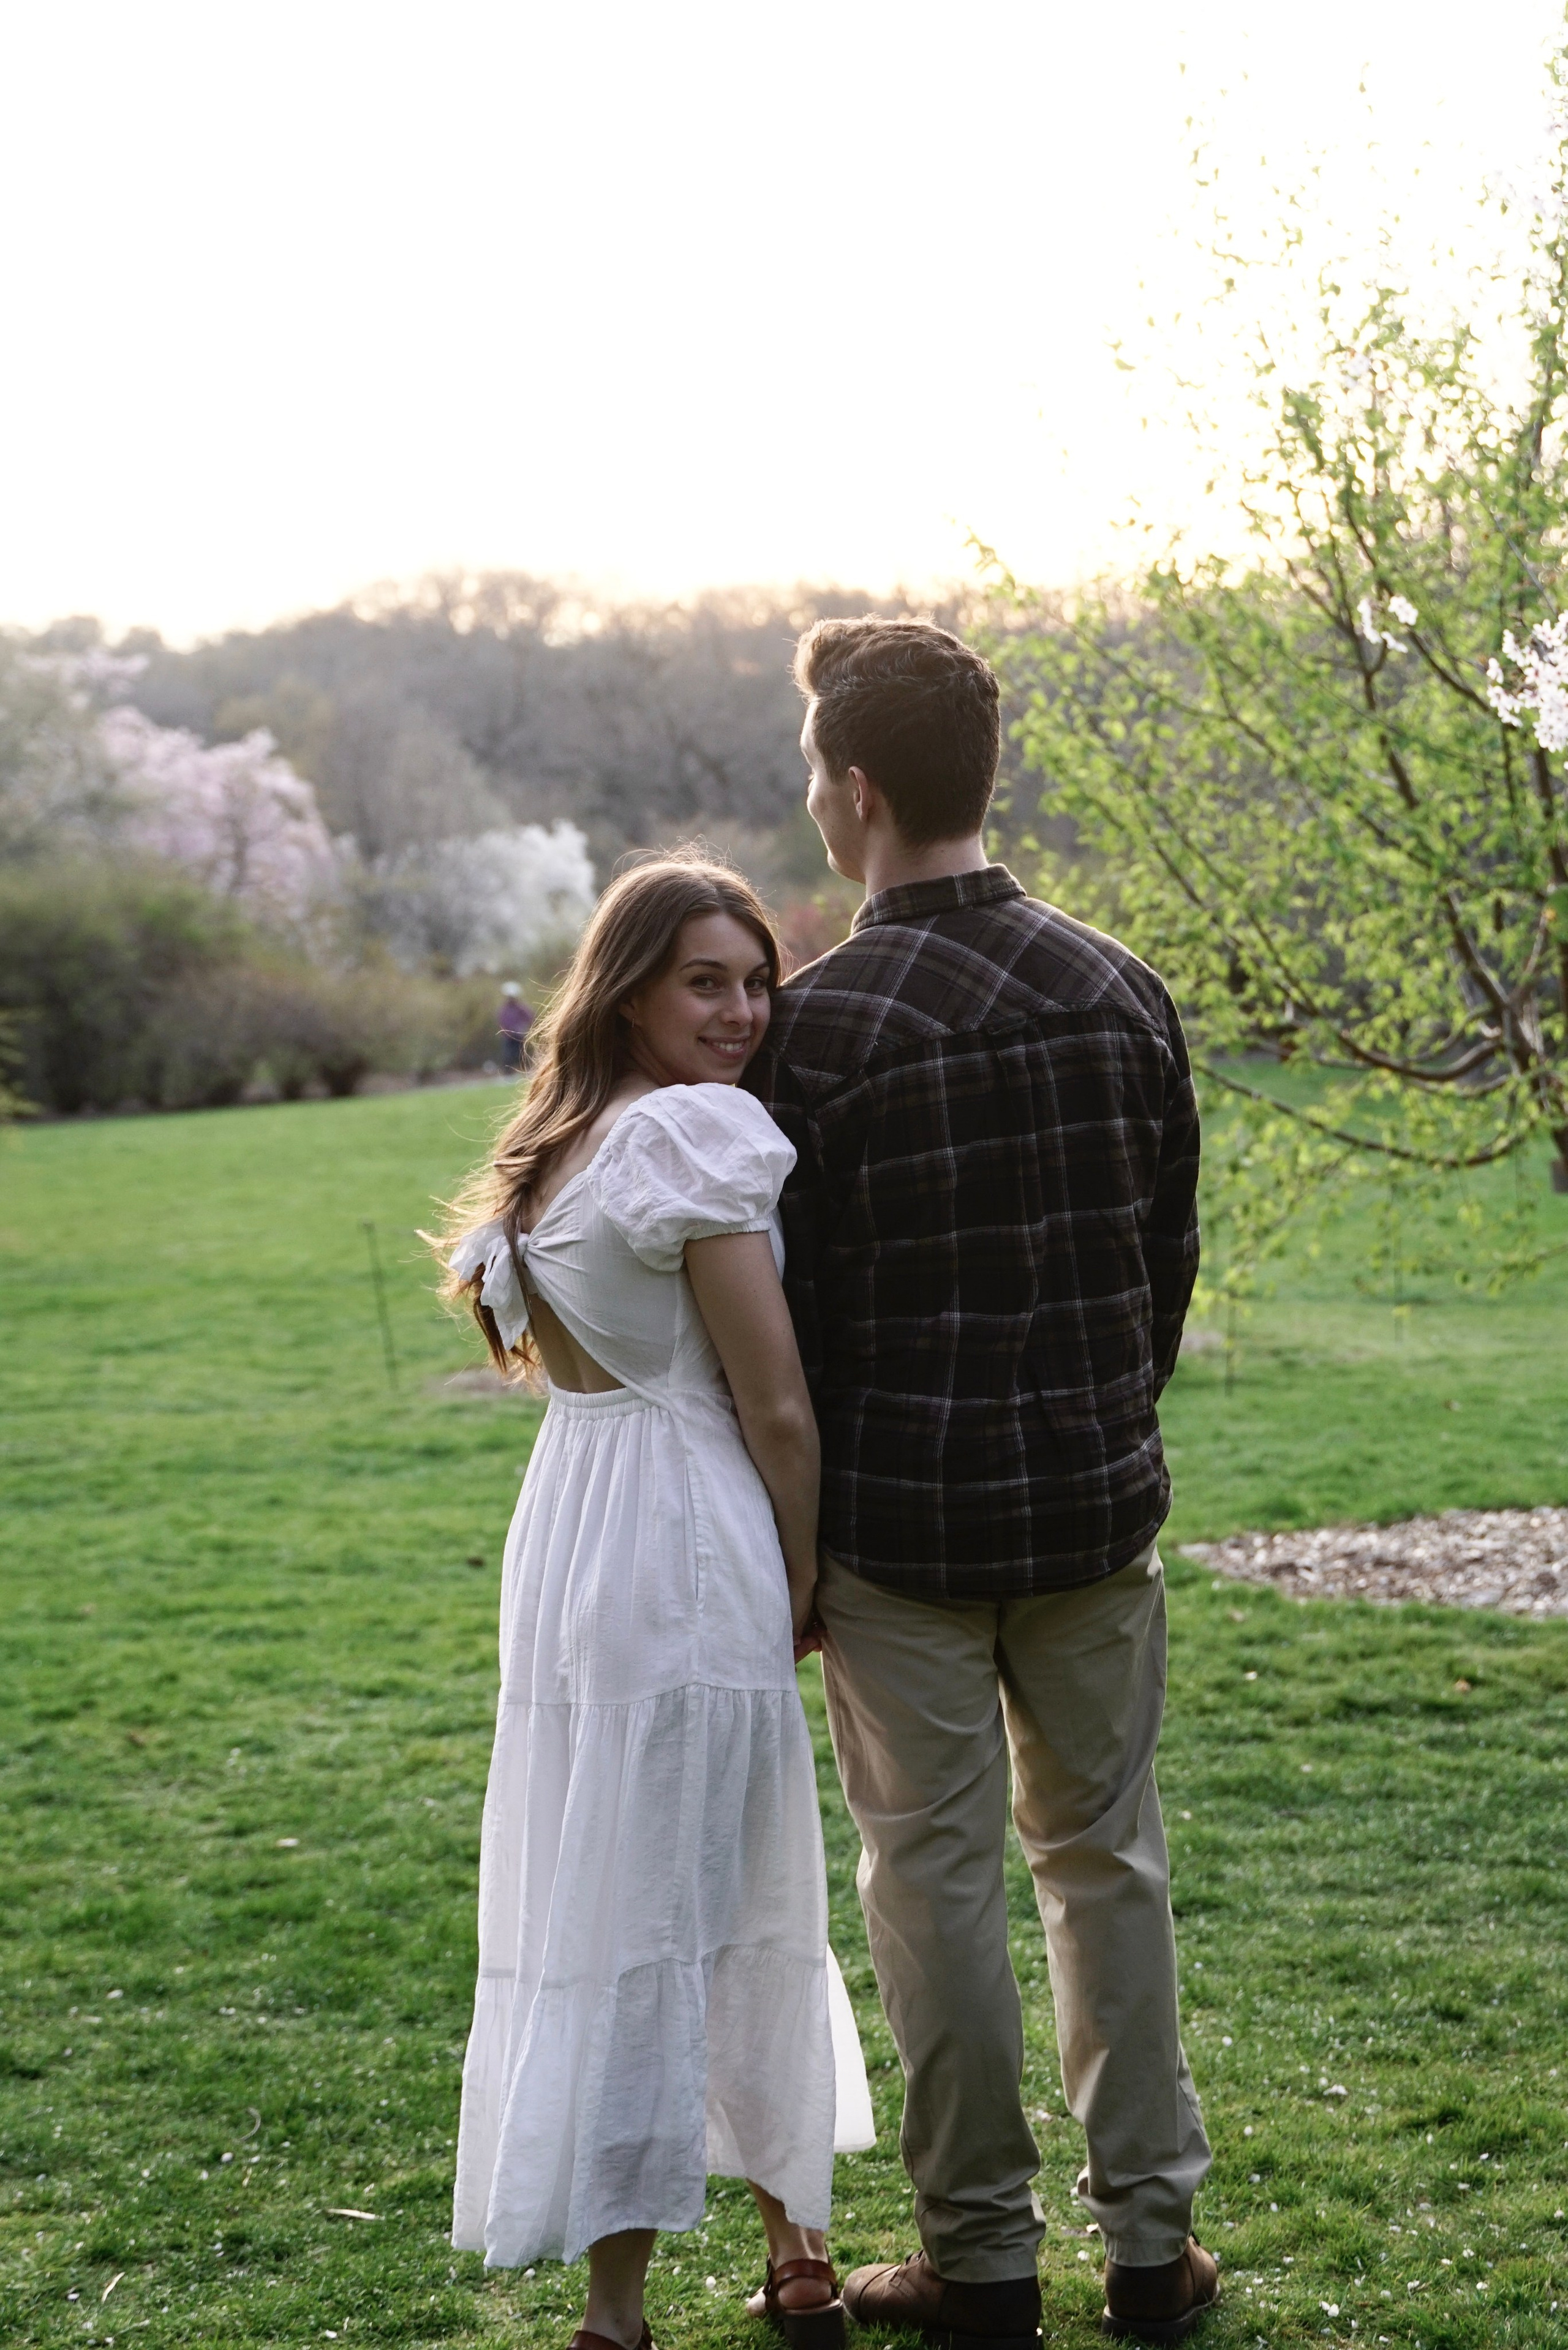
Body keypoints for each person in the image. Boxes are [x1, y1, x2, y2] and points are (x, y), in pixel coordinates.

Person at [745, 619, 1218, 2347]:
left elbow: (787, 1326)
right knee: (1109, 1866)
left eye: (815, 772)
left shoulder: (818, 1029)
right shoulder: (1119, 983)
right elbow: (1164, 1265)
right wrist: (1101, 1412)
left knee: (929, 1880)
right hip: (1098, 1510)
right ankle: (1154, 2247)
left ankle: (980, 2257)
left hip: (905, 1540)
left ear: (857, 790)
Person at [432, 856, 873, 2350]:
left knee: (645, 1884)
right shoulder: (691, 1133)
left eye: (755, 979)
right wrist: (802, 1578)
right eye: (704, 979)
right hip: (686, 1533)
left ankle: (720, 2274)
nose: (742, 1010)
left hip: (575, 1532)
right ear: (624, 984)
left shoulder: (551, 1148)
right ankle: (703, 2280)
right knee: (713, 1889)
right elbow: (778, 1406)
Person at [497, 981, 534, 1074]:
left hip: (519, 1035)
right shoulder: (505, 1009)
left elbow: (530, 1016)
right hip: (508, 1036)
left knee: (522, 1054)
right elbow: (502, 1021)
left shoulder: (520, 1008)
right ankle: (508, 1072)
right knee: (508, 1055)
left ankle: (526, 1070)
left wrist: (525, 1028)